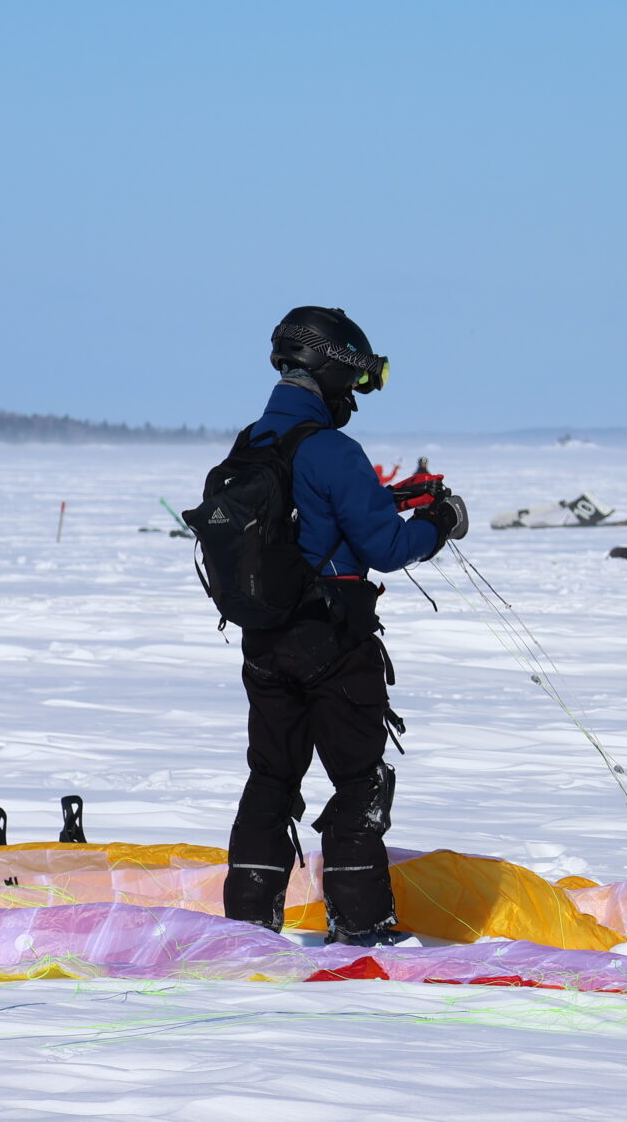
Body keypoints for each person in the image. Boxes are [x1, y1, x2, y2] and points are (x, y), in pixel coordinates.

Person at [223, 307, 468, 947]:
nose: (358, 396)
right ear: (330, 368)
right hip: (333, 643)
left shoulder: (251, 441)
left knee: (272, 777)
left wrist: (388, 499)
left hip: (264, 642)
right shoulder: (334, 448)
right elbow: (386, 548)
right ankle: (361, 928)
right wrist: (441, 522)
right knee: (359, 781)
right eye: (358, 379)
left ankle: (247, 927)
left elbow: (307, 519)